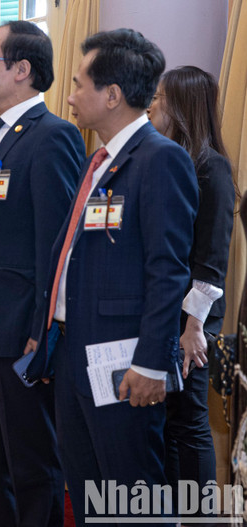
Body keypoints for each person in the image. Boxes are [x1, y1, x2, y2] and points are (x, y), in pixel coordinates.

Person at [25, 29, 198, 520]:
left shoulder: (161, 159)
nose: (70, 97)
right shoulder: (97, 162)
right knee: (88, 495)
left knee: (132, 498)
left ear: (113, 94)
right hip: (73, 355)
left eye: (79, 85)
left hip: (124, 363)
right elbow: (70, 256)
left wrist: (151, 364)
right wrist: (43, 329)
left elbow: (168, 271)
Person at [0, 21, 85, 526]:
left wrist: (42, 330)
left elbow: (57, 243)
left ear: (22, 69)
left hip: (21, 330)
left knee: (31, 461)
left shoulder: (52, 136)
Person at [148, 66, 235, 518]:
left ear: (182, 106)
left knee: (188, 421)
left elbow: (212, 258)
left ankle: (198, 517)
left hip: (191, 324)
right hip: (164, 316)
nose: (151, 105)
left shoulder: (211, 167)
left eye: (160, 98)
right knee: (164, 420)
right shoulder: (170, 159)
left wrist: (193, 326)